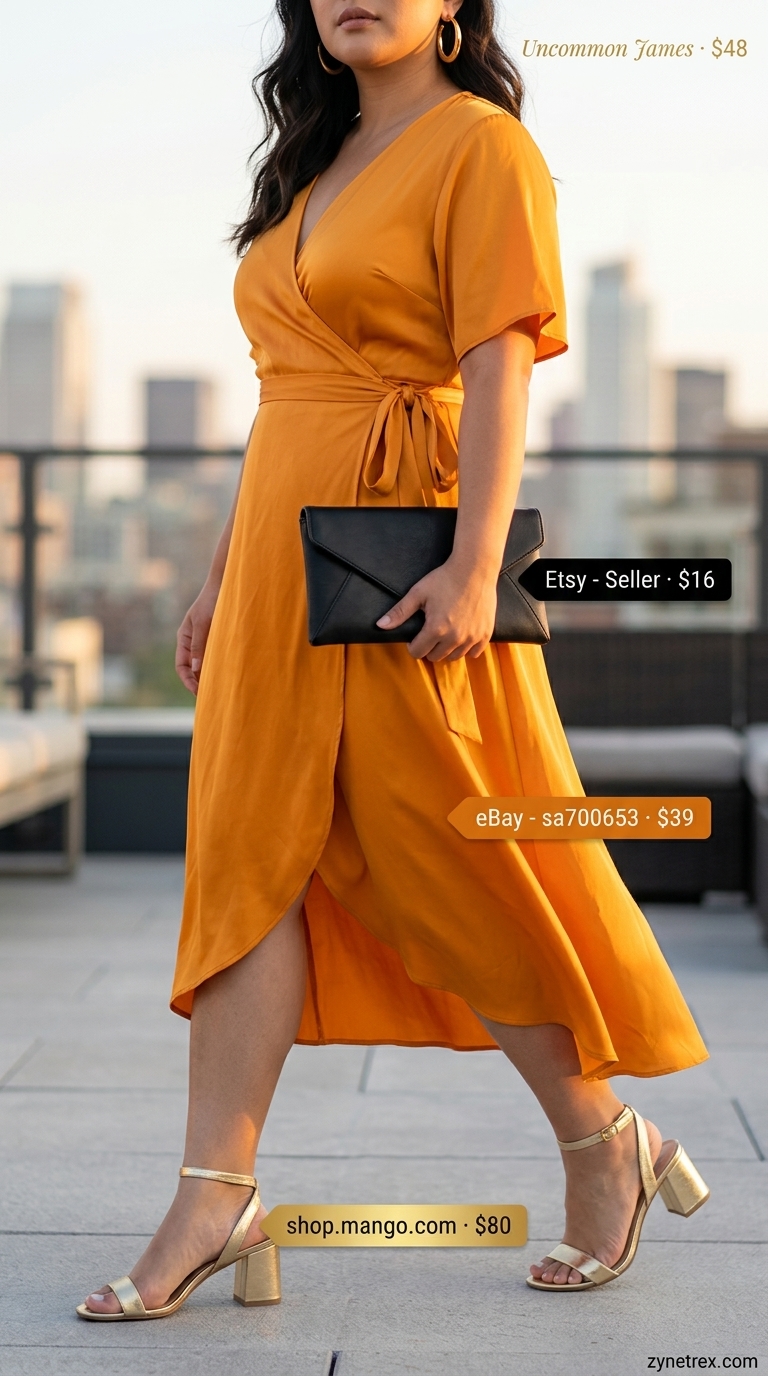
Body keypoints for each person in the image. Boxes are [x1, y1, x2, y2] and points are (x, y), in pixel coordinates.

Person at [78, 0, 709, 1321]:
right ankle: (218, 1192)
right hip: (274, 560)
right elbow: (282, 398)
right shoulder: (311, 161)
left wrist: (478, 565)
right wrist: (215, 573)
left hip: (396, 551)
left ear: (456, 8)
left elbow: (496, 363)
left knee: (448, 848)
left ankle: (606, 1143)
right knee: (255, 851)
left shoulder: (481, 145)